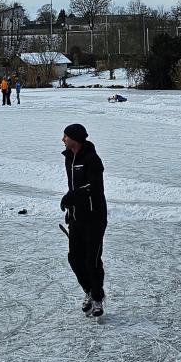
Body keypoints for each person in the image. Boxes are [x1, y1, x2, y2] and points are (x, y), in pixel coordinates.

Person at [59, 123, 107, 318]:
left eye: (65, 136)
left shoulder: (92, 159)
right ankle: (88, 290)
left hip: (94, 217)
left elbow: (93, 187)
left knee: (92, 261)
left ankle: (97, 297)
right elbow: (74, 187)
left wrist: (72, 196)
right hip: (77, 218)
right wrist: (70, 208)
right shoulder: (69, 158)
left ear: (75, 139)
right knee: (74, 258)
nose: (63, 140)